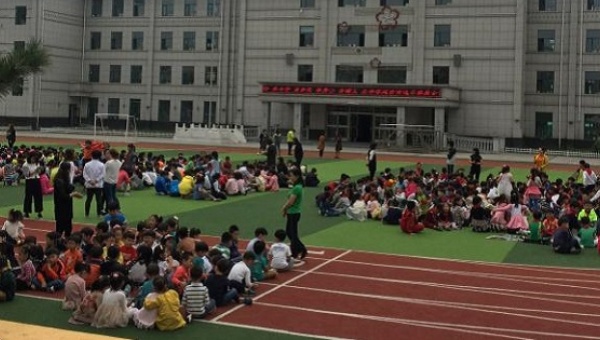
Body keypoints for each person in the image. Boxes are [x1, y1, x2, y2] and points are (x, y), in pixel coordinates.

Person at [281, 167, 307, 260]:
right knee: (290, 232)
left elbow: (291, 202)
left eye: (291, 175)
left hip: (294, 213)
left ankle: (299, 250)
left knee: (293, 233)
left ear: (297, 176)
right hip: (291, 212)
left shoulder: (297, 188)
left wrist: (284, 208)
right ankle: (298, 249)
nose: (290, 177)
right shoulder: (296, 186)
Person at [54, 162, 83, 241]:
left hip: (67, 204)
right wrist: (73, 194)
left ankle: (67, 240)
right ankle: (58, 241)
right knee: (60, 226)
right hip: (61, 205)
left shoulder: (65, 177)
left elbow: (70, 188)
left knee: (68, 225)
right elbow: (62, 195)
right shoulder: (59, 180)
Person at [83, 150, 106, 218]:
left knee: (88, 199)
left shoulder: (87, 164)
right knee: (98, 200)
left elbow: (84, 174)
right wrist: (96, 180)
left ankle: (87, 214)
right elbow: (103, 174)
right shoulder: (102, 165)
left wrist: (89, 180)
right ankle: (98, 214)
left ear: (92, 156)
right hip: (98, 185)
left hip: (89, 185)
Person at [22, 151, 44, 219]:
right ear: (30, 157)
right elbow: (26, 175)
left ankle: (39, 212)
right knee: (28, 197)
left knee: (38, 196)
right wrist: (35, 171)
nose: (34, 160)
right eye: (33, 158)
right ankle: (26, 212)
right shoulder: (25, 165)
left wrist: (39, 170)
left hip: (37, 180)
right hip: (29, 181)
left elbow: (39, 172)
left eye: (35, 158)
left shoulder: (37, 163)